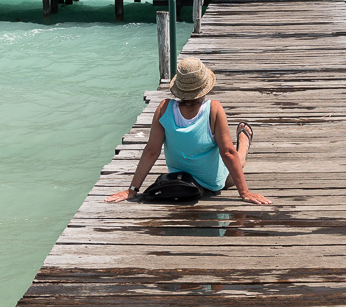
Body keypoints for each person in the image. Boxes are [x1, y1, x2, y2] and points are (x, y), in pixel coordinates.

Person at [105, 56, 269, 205]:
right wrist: (244, 193)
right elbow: (227, 153)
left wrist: (132, 190)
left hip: (183, 182)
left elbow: (151, 151)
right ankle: (244, 141)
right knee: (236, 159)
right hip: (213, 183)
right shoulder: (214, 109)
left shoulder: (164, 108)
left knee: (229, 154)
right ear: (204, 87)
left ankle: (243, 141)